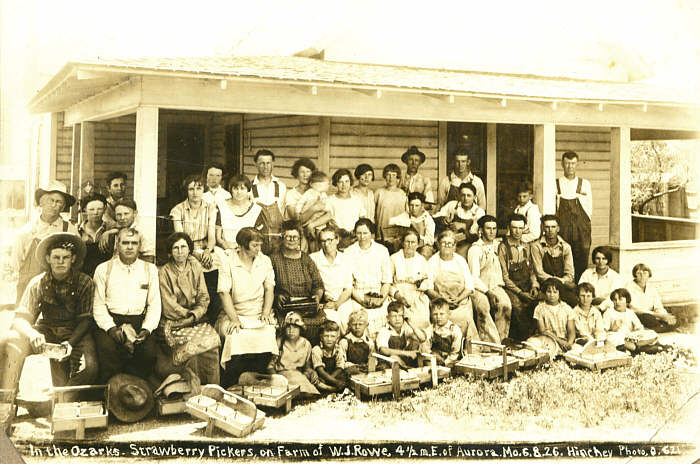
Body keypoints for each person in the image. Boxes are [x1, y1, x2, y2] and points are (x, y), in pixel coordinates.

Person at [1, 233, 97, 416]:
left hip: (75, 331)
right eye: (56, 257)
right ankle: (6, 403)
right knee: (8, 342)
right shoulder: (38, 282)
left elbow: (86, 320)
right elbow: (20, 318)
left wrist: (70, 343)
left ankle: (61, 401)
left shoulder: (84, 282)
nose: (61, 262)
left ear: (73, 259)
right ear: (48, 259)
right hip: (46, 330)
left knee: (90, 366)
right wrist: (32, 335)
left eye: (66, 257)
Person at [93, 228, 161, 382]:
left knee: (148, 354)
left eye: (134, 243)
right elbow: (98, 304)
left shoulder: (150, 269)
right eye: (125, 243)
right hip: (111, 321)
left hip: (139, 321)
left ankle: (136, 396)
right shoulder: (104, 269)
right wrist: (110, 328)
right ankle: (112, 393)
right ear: (117, 244)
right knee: (108, 350)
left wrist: (147, 329)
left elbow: (154, 304)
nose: (129, 247)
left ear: (139, 245)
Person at [215, 227, 277, 386]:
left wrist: (265, 312)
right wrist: (234, 319)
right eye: (255, 245)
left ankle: (257, 378)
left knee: (268, 332)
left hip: (257, 314)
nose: (259, 249)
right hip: (234, 314)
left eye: (260, 245)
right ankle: (233, 382)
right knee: (235, 335)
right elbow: (223, 293)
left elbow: (270, 288)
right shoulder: (228, 261)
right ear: (243, 245)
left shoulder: (264, 260)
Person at [157, 232, 219, 385]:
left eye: (183, 247)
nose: (180, 251)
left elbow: (204, 297)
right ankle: (194, 392)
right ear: (170, 252)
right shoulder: (164, 271)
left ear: (189, 249)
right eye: (175, 248)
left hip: (195, 319)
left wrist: (194, 315)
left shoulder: (195, 265)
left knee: (213, 345)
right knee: (194, 348)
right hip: (174, 323)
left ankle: (212, 390)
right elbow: (168, 305)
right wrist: (186, 316)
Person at [11, 180, 79, 303]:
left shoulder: (70, 230)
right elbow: (17, 264)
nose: (54, 205)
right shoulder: (26, 231)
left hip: (59, 290)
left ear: (63, 207)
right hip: (29, 289)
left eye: (58, 202)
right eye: (50, 200)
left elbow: (77, 259)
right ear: (42, 202)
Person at [426, 230, 498, 345]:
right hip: (441, 302)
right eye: (444, 243)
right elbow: (428, 288)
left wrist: (458, 299)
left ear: (455, 246)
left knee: (466, 317)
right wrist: (443, 300)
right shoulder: (432, 262)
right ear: (438, 245)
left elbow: (469, 286)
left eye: (450, 243)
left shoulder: (460, 261)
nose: (447, 246)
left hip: (461, 301)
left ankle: (471, 348)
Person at [170, 174, 220, 323]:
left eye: (198, 188)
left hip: (205, 248)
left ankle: (210, 315)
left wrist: (208, 251)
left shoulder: (211, 208)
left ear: (203, 189)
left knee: (215, 267)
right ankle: (192, 314)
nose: (195, 192)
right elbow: (180, 237)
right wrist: (194, 253)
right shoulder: (178, 210)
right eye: (191, 189)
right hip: (184, 249)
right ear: (186, 191)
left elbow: (212, 236)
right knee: (192, 267)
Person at [270, 221, 325, 343]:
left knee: (320, 323)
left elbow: (318, 284)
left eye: (295, 237)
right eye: (288, 236)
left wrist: (317, 297)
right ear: (282, 238)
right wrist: (276, 297)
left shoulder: (306, 259)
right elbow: (267, 286)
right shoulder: (274, 259)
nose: (291, 240)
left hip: (307, 307)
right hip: (285, 308)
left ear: (300, 239)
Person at [343, 219, 392, 338]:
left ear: (372, 234)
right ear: (355, 233)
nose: (362, 237)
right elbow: (348, 284)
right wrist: (362, 301)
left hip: (379, 294)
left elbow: (387, 281)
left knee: (385, 316)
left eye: (365, 233)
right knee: (356, 319)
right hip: (357, 296)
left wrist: (380, 299)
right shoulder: (348, 252)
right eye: (359, 233)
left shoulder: (382, 250)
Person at [467, 215, 512, 342]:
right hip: (478, 287)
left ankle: (502, 340)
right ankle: (491, 344)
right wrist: (488, 292)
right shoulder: (475, 249)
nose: (492, 231)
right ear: (481, 230)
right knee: (483, 308)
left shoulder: (498, 246)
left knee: (505, 305)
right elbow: (473, 278)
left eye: (494, 228)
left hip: (495, 285)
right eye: (488, 228)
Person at [497, 214, 540, 341]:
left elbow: (531, 270)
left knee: (540, 302)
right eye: (514, 228)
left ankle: (536, 339)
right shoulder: (503, 247)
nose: (517, 231)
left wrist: (534, 285)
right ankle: (521, 341)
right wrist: (520, 293)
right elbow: (505, 277)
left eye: (520, 228)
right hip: (511, 287)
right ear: (509, 228)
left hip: (527, 285)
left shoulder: (527, 246)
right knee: (517, 307)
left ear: (524, 228)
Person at [556, 151, 592, 281]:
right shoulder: (557, 183)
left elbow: (589, 209)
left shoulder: (585, 184)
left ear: (577, 164)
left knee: (581, 257)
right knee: (562, 257)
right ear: (562, 164)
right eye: (567, 163)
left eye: (573, 163)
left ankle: (580, 287)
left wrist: (584, 226)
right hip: (563, 227)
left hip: (580, 228)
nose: (570, 167)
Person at [309, 227, 354, 331]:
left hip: (343, 300)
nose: (326, 244)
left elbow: (348, 288)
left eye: (330, 240)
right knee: (333, 324)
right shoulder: (313, 258)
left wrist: (337, 304)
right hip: (324, 302)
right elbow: (311, 285)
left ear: (337, 240)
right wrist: (322, 297)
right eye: (323, 241)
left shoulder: (346, 259)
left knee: (348, 321)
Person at [530, 215, 578, 308]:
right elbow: (539, 273)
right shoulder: (536, 246)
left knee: (574, 302)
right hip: (545, 285)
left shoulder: (566, 247)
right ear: (543, 228)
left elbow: (570, 274)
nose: (550, 230)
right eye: (547, 227)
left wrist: (562, 282)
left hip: (562, 286)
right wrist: (559, 281)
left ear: (558, 228)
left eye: (553, 227)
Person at [268, 311, 320, 397]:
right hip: (282, 376)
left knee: (309, 392)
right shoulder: (280, 342)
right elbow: (270, 366)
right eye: (288, 327)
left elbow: (307, 367)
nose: (291, 331)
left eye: (295, 328)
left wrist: (312, 372)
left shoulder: (306, 344)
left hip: (298, 375)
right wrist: (277, 380)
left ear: (301, 329)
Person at [389, 228, 433, 329]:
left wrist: (419, 284)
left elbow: (428, 283)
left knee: (421, 319)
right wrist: (398, 296)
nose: (410, 245)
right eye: (407, 242)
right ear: (402, 243)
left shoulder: (421, 260)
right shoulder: (394, 258)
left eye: (413, 242)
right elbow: (388, 283)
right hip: (397, 295)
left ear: (418, 244)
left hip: (416, 295)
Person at [525, 278, 576, 357]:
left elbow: (571, 331)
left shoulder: (567, 308)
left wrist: (569, 344)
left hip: (564, 340)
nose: (552, 295)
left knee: (577, 349)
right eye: (549, 292)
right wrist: (559, 341)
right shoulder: (540, 308)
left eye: (555, 292)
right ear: (545, 292)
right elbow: (543, 331)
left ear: (559, 293)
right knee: (530, 343)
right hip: (546, 341)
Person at [98, 199, 156, 263]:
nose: (122, 218)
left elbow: (149, 259)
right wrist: (108, 232)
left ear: (135, 213)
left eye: (126, 214)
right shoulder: (118, 229)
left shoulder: (142, 232)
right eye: (119, 214)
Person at [434, 182, 484, 256]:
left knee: (459, 254)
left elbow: (477, 236)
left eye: (469, 195)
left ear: (474, 197)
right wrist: (444, 220)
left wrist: (464, 226)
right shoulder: (452, 205)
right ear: (459, 196)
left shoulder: (479, 212)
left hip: (468, 243)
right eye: (463, 195)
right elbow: (434, 219)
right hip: (450, 240)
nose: (465, 198)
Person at [624, 263, 677, 332]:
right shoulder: (629, 287)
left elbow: (658, 306)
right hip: (639, 315)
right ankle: (661, 327)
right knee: (648, 318)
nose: (642, 276)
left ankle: (659, 327)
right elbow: (636, 309)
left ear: (649, 275)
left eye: (645, 273)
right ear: (635, 275)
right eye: (639, 273)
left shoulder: (651, 288)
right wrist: (659, 316)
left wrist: (665, 316)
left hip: (654, 314)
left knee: (674, 318)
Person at [216, 175, 262, 253]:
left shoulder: (256, 209)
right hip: (224, 249)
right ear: (231, 190)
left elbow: (256, 238)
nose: (239, 192)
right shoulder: (222, 206)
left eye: (242, 188)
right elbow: (218, 238)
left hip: (248, 250)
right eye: (235, 188)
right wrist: (228, 249)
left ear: (248, 190)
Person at [376, 301, 426, 369]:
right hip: (388, 362)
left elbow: (422, 338)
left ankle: (411, 369)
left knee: (415, 342)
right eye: (394, 316)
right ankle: (408, 369)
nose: (397, 319)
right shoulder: (384, 330)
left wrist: (410, 323)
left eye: (400, 316)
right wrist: (407, 353)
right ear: (388, 318)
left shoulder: (405, 328)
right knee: (394, 358)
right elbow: (383, 350)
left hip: (402, 360)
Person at [603, 288, 651, 352]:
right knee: (613, 337)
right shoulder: (609, 312)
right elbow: (604, 330)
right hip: (617, 337)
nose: (617, 302)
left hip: (629, 337)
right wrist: (614, 329)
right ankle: (636, 349)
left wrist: (638, 333)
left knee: (651, 333)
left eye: (620, 299)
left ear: (627, 301)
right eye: (615, 300)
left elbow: (639, 327)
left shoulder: (630, 313)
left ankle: (634, 347)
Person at [327, 169, 366, 246]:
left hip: (355, 238)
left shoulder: (357, 199)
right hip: (338, 239)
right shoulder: (330, 200)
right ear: (336, 183)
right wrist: (340, 232)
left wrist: (355, 232)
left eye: (346, 181)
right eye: (340, 182)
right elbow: (329, 222)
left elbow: (362, 218)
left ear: (350, 182)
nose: (344, 185)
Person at [78, 193, 112, 277]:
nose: (96, 212)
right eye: (91, 209)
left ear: (104, 209)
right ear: (85, 209)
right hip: (83, 276)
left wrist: (109, 232)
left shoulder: (110, 228)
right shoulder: (77, 230)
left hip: (106, 275)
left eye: (99, 209)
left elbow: (125, 228)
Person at [424, 298, 463, 368]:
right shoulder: (430, 329)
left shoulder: (455, 330)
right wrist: (432, 357)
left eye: (442, 314)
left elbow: (455, 353)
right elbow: (426, 348)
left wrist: (445, 363)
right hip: (434, 361)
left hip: (450, 362)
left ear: (449, 314)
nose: (438, 317)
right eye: (435, 314)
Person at [296, 170, 333, 242]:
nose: (324, 187)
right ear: (312, 184)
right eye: (321, 185)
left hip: (318, 220)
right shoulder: (309, 193)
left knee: (320, 233)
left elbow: (328, 209)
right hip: (307, 218)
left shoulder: (324, 195)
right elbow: (300, 202)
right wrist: (298, 211)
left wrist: (324, 208)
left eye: (326, 185)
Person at [311, 320, 347, 392]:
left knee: (345, 375)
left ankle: (331, 387)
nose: (329, 339)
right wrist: (335, 382)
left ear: (337, 338)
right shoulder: (317, 350)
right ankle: (331, 389)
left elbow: (339, 367)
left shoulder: (338, 349)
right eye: (326, 336)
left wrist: (332, 380)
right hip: (322, 376)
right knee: (315, 381)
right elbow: (320, 370)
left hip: (332, 375)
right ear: (321, 337)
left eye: (332, 336)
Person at [374, 163, 408, 241]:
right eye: (388, 175)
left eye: (393, 175)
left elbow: (406, 214)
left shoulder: (403, 194)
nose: (391, 178)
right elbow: (373, 214)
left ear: (398, 178)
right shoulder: (379, 192)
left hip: (398, 234)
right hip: (382, 233)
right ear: (385, 177)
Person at [338, 309, 375, 375]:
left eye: (360, 324)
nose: (357, 327)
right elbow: (341, 362)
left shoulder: (369, 342)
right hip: (349, 373)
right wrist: (356, 367)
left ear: (366, 325)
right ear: (349, 325)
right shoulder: (344, 342)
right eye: (354, 324)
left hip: (365, 372)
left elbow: (372, 359)